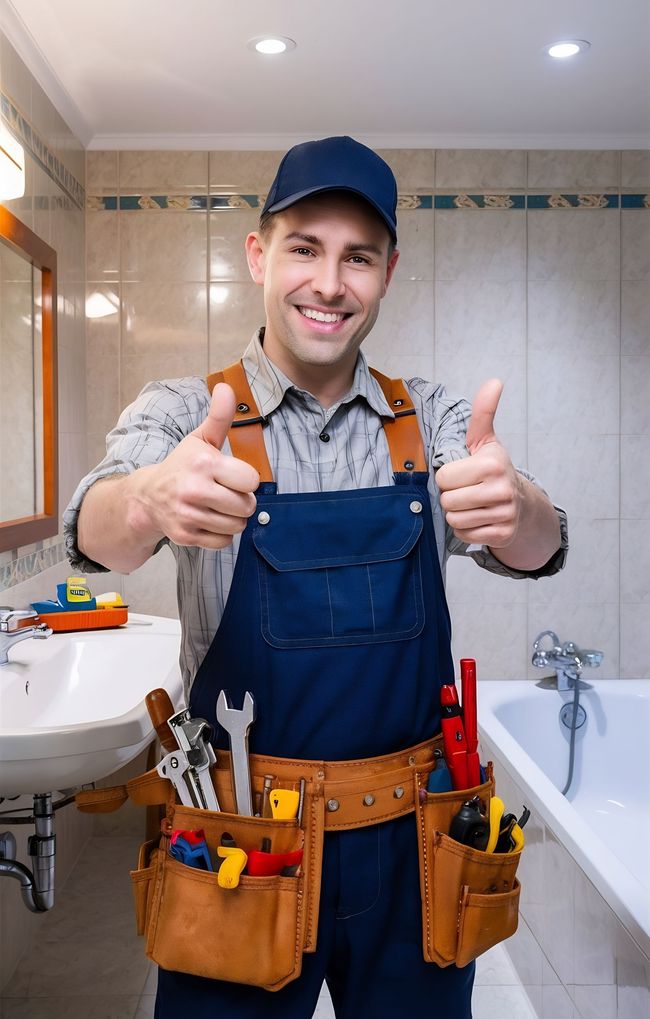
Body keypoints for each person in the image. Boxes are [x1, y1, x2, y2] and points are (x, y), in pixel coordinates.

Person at [64, 136, 567, 1019]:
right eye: (305, 247)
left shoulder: (435, 419)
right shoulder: (189, 413)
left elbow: (540, 542)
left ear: (387, 272)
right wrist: (149, 496)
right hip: (239, 849)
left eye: (357, 257)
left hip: (418, 851)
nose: (329, 283)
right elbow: (98, 530)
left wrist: (517, 507)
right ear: (259, 255)